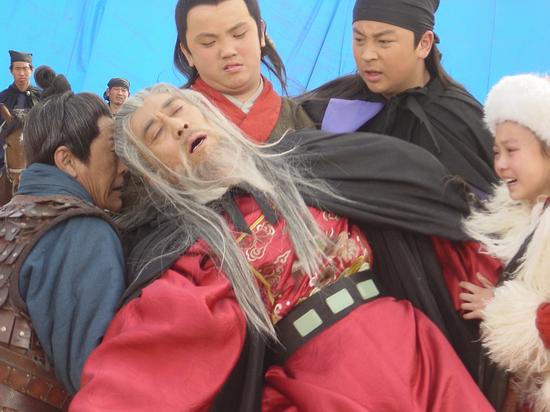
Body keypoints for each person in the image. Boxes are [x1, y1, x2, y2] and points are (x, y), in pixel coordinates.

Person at [69, 84, 496, 411]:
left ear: (204, 111)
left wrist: (508, 298)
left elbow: (425, 212)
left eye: (177, 109)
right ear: (152, 172)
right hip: (322, 386)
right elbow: (144, 367)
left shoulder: (308, 162)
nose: (176, 125)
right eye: (156, 132)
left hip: (416, 348)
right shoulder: (197, 251)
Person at [0, 72, 127, 411]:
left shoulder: (7, 215)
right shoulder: (84, 232)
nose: (124, 167)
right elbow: (101, 387)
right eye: (114, 152)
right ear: (67, 160)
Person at [299, 0, 497, 195]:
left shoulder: (458, 120)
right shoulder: (340, 98)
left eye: (384, 42)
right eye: (359, 39)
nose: (367, 55)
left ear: (424, 44)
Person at [462, 73, 550, 412]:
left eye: (512, 151)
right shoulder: (528, 215)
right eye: (496, 152)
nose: (500, 165)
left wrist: (500, 308)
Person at [173, 0, 314, 143]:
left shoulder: (297, 117)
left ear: (261, 33)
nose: (228, 51)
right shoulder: (174, 126)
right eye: (208, 42)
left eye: (239, 34)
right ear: (187, 53)